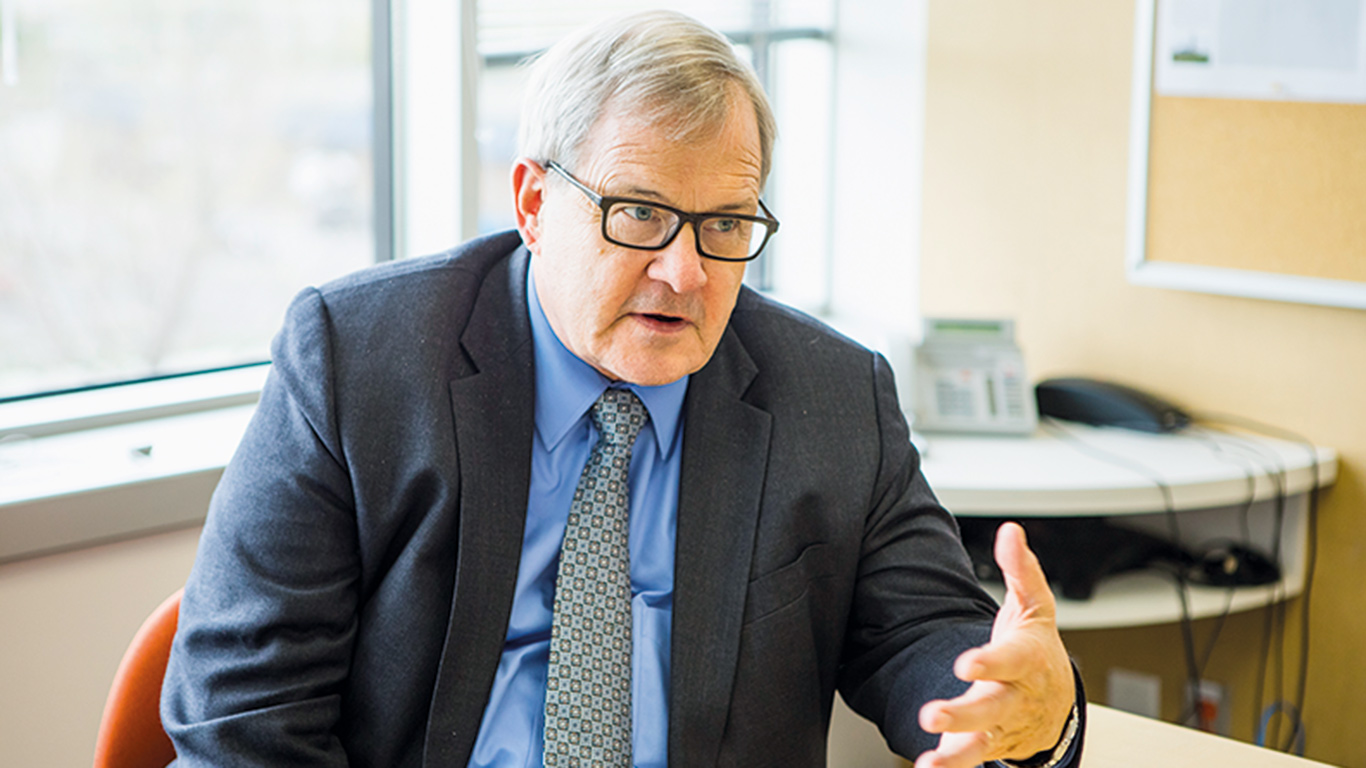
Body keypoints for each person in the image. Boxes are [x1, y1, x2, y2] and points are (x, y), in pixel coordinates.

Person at [162, 10, 1083, 768]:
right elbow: (241, 714)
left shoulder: (834, 395)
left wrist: (1023, 706)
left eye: (725, 222)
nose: (684, 271)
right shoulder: (360, 359)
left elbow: (926, 636)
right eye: (638, 212)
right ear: (531, 202)